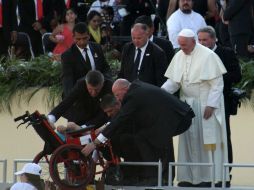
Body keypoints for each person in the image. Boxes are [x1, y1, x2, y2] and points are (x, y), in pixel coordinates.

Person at [82, 79, 195, 185]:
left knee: (151, 138)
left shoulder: (133, 96)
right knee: (144, 136)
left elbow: (120, 119)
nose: (117, 98)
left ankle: (159, 178)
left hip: (178, 118)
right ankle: (155, 177)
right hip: (171, 117)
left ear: (124, 90)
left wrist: (95, 143)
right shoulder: (136, 88)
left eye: (117, 95)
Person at [161, 28, 229, 187]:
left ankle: (208, 178)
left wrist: (211, 105)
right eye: (180, 45)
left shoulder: (209, 56)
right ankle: (189, 178)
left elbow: (217, 84)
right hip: (187, 106)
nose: (182, 48)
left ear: (193, 42)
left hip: (206, 105)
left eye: (184, 45)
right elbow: (173, 82)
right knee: (188, 142)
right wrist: (159, 94)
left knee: (206, 142)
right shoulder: (179, 55)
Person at [197, 26, 242, 186]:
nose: (201, 43)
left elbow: (236, 75)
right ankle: (205, 174)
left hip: (222, 103)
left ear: (214, 39)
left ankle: (225, 174)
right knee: (202, 139)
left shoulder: (226, 53)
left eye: (205, 39)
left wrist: (215, 77)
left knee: (223, 138)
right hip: (200, 104)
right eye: (199, 40)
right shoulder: (196, 54)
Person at [47, 70, 112, 128]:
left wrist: (84, 128)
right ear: (86, 83)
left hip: (100, 119)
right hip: (82, 115)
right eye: (90, 89)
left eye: (97, 89)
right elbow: (67, 102)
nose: (93, 93)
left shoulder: (110, 86)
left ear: (102, 84)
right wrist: (51, 118)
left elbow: (105, 113)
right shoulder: (81, 84)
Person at [61, 22, 110, 96]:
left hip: (99, 92)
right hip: (81, 95)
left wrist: (104, 83)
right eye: (78, 39)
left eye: (85, 38)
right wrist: (70, 98)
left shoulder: (97, 48)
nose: (82, 42)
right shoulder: (68, 55)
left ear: (89, 36)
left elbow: (105, 68)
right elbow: (68, 79)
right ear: (73, 37)